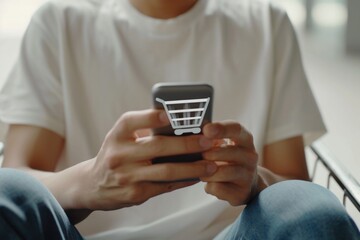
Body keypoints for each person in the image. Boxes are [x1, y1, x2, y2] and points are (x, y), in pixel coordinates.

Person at [0, 0, 359, 239]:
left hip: (231, 233)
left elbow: (293, 185)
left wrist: (254, 180)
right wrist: (91, 183)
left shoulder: (265, 22)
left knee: (309, 208)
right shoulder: (60, 21)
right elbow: (20, 182)